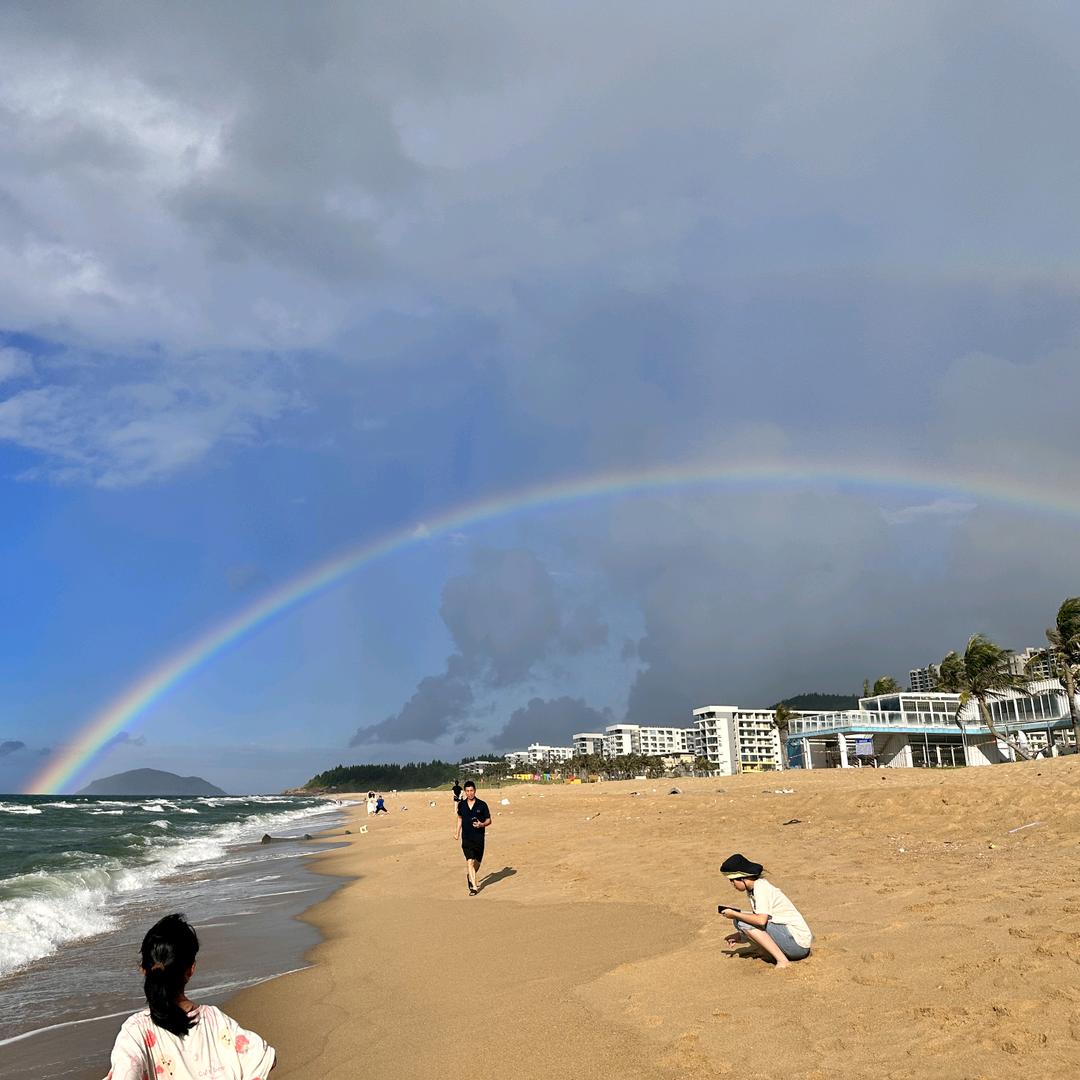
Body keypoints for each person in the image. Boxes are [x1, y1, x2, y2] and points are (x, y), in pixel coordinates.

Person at [103, 913, 275, 1079]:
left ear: (143, 969)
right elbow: (265, 1056)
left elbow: (127, 1072)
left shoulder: (135, 1031)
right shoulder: (216, 1021)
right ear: (191, 969)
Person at [717, 853, 812, 969]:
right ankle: (773, 954)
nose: (732, 884)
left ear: (742, 878)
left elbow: (761, 921)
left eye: (732, 881)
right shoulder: (753, 889)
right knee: (739, 920)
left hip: (798, 945)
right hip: (791, 941)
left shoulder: (761, 888)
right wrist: (739, 936)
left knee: (741, 920)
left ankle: (782, 961)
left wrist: (735, 914)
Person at [454, 780, 491, 895]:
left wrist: (481, 824)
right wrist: (457, 832)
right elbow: (460, 818)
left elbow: (489, 820)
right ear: (464, 792)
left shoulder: (482, 804)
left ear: (475, 791)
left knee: (477, 864)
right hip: (466, 838)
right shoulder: (462, 805)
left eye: (471, 791)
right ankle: (474, 887)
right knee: (469, 861)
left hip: (479, 838)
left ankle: (470, 875)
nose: (470, 793)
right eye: (467, 791)